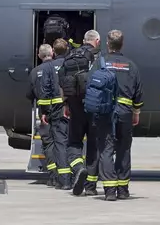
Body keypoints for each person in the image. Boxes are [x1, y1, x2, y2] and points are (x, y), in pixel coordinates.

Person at [86, 29, 143, 200]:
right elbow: (138, 93)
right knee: (124, 149)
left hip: (105, 112)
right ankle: (123, 189)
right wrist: (136, 112)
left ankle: (110, 190)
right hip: (125, 112)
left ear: (108, 44)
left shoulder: (99, 63)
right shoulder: (131, 65)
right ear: (122, 44)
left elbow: (89, 84)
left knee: (106, 149)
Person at [57, 29, 101, 196]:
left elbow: (61, 79)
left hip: (75, 106)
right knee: (93, 146)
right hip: (94, 106)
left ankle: (78, 168)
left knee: (74, 143)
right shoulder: (98, 57)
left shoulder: (70, 55)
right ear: (97, 41)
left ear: (83, 40)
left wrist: (66, 103)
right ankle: (90, 187)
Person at [26, 44, 72, 190]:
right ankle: (64, 177)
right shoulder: (60, 66)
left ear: (39, 55)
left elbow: (29, 94)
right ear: (51, 53)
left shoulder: (35, 71)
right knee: (61, 142)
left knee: (48, 144)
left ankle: (53, 176)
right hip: (60, 109)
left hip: (44, 112)